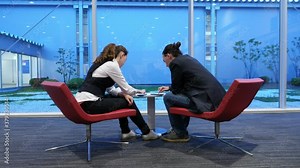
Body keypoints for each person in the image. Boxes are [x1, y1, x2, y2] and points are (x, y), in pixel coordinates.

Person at [75, 43, 159, 141]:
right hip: (90, 104)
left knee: (123, 98)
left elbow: (111, 89)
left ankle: (126, 132)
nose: (124, 63)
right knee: (128, 102)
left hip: (85, 103)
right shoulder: (112, 65)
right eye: (125, 59)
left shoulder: (102, 64)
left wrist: (122, 94)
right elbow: (126, 88)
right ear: (121, 55)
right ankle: (146, 132)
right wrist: (138, 91)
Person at [158, 41, 226, 142]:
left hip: (205, 102)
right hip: (215, 99)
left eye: (165, 61)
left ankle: (179, 132)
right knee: (176, 95)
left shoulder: (175, 63)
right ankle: (181, 130)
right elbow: (187, 83)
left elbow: (176, 89)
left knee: (168, 97)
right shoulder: (187, 59)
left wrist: (172, 89)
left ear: (169, 56)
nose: (166, 65)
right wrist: (170, 87)